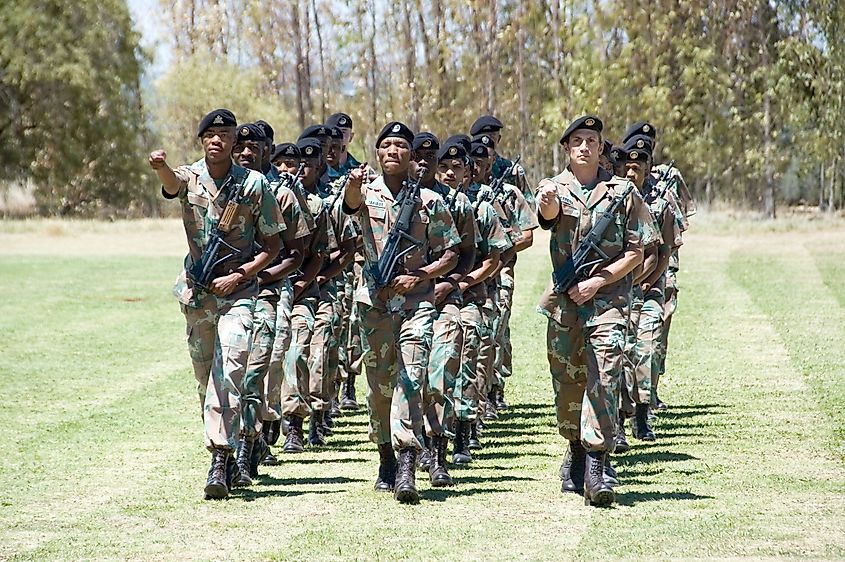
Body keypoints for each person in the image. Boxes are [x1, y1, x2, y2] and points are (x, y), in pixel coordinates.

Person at [148, 108, 282, 500]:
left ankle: (220, 459)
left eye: (225, 133)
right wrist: (160, 167)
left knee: (232, 366)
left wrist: (241, 275)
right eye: (211, 133)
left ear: (235, 140)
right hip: (197, 293)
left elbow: (273, 245)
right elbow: (172, 186)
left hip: (238, 295)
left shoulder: (254, 184)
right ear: (202, 139)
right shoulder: (189, 177)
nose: (217, 140)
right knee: (206, 378)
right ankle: (228, 441)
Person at [535, 115, 656, 507]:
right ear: (567, 149)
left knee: (604, 377)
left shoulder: (622, 193)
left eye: (592, 140)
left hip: (608, 302)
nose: (585, 147)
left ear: (602, 148)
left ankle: (597, 467)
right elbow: (547, 219)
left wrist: (599, 282)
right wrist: (547, 205)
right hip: (567, 301)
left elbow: (636, 252)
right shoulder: (554, 189)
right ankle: (574, 445)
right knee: (568, 381)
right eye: (577, 141)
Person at [342, 121, 460, 504]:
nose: (393, 150)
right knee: (379, 385)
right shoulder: (363, 192)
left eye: (400, 146)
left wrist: (421, 275)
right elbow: (348, 206)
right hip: (374, 302)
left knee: (411, 375)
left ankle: (408, 462)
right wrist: (354, 185)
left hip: (416, 304)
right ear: (377, 153)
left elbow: (450, 253)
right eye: (386, 145)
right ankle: (386, 459)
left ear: (412, 156)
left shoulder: (430, 201)